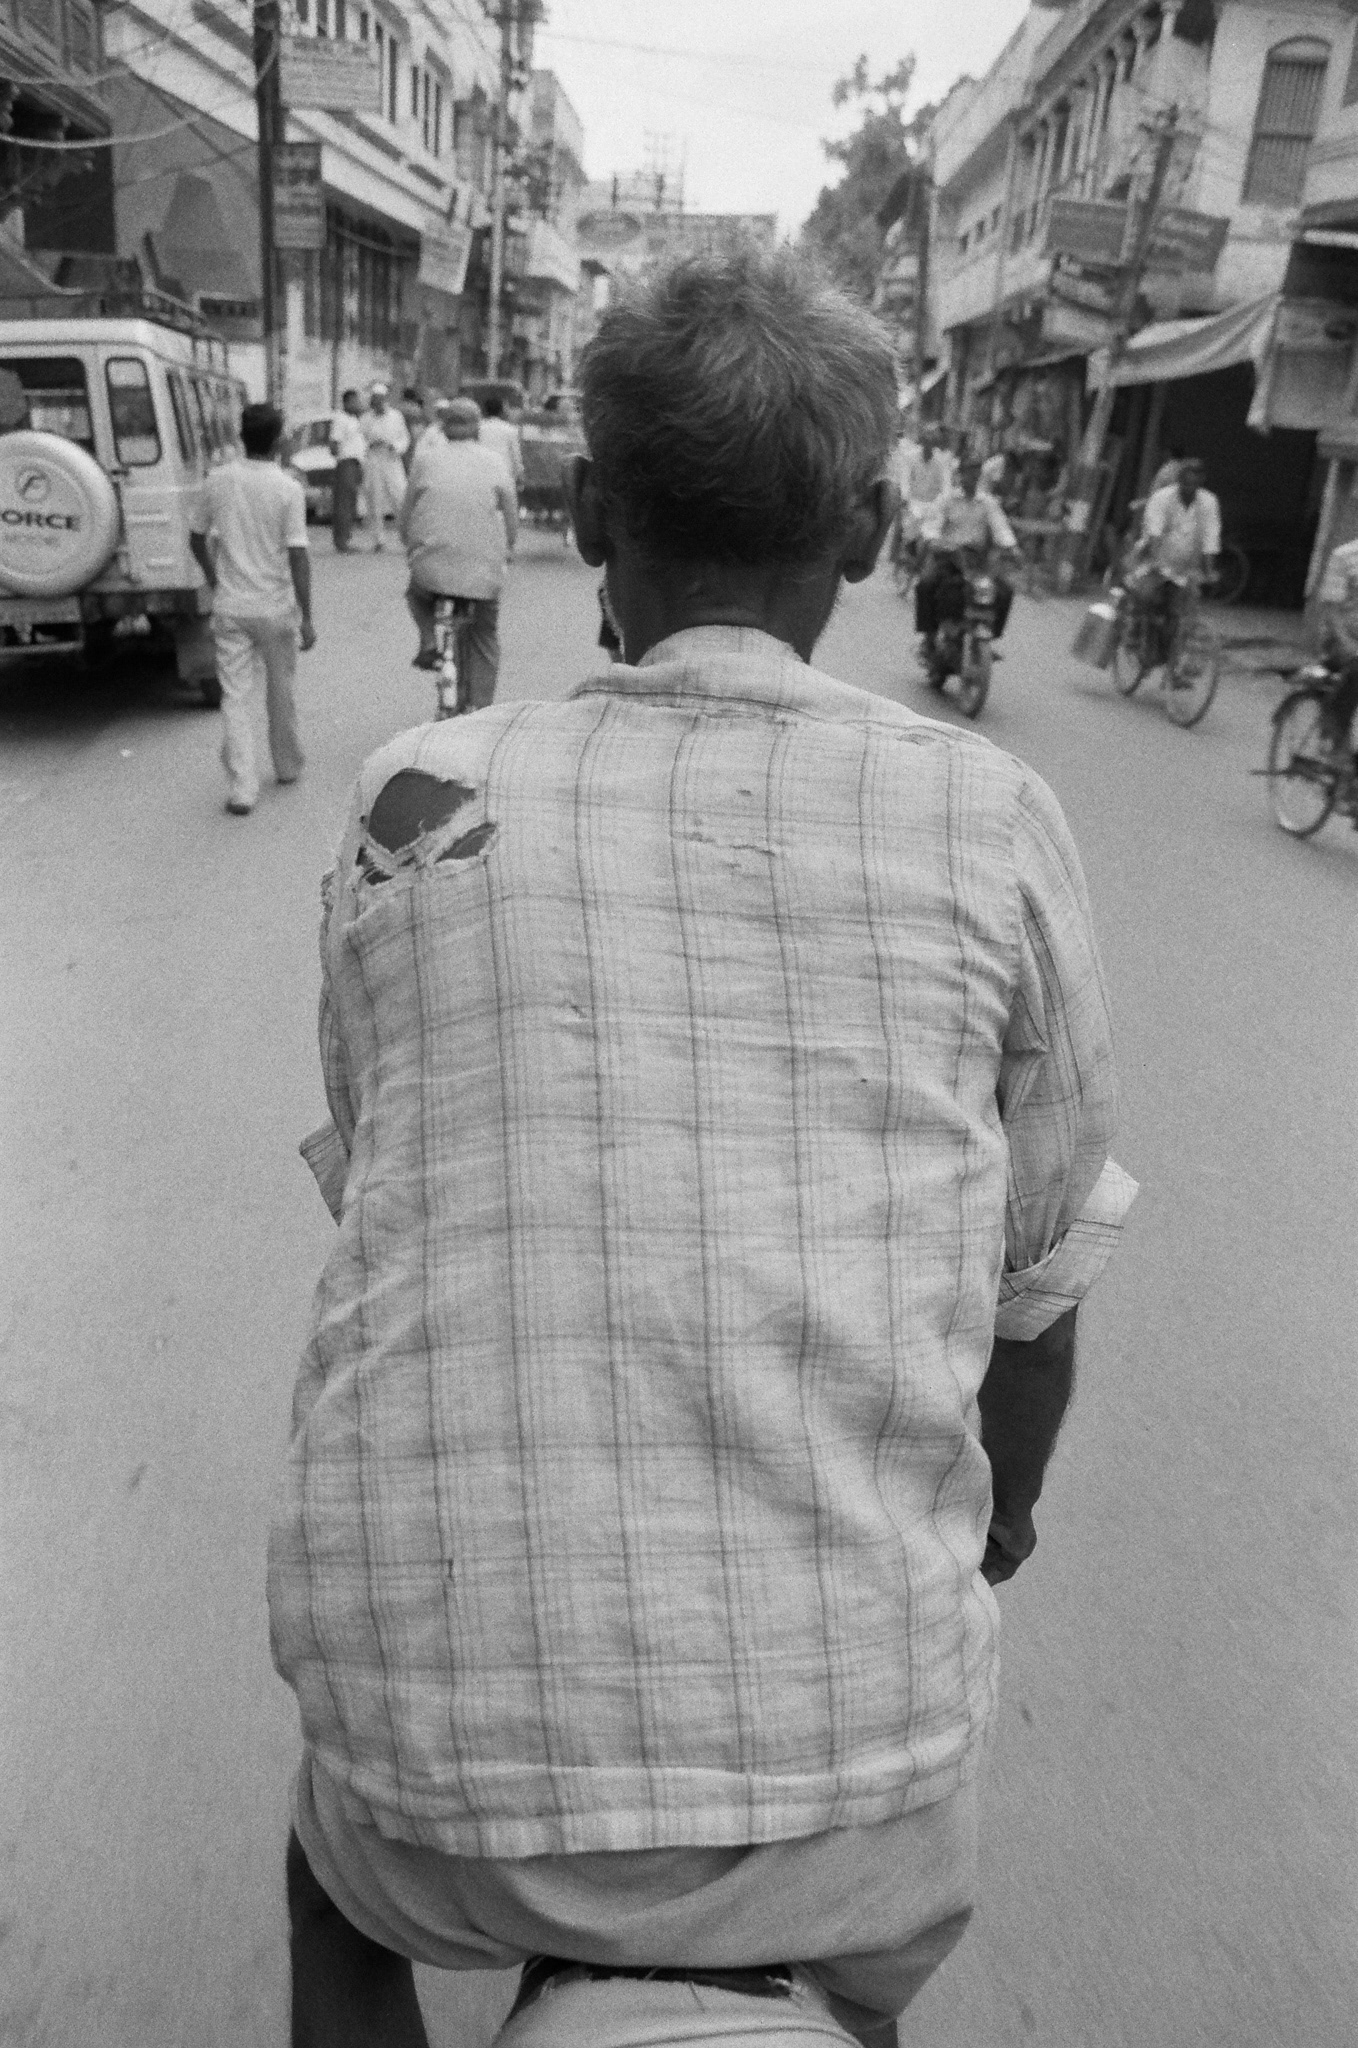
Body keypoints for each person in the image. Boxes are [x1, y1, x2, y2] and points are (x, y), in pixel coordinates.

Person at [272, 246, 1135, 2048]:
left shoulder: (417, 795)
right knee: (863, 1961)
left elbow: (376, 1167)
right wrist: (999, 1517)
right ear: (873, 533)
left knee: (329, 1900)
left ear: (589, 514)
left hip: (429, 1777)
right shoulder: (986, 813)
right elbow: (1037, 1289)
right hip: (860, 1790)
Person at [188, 401, 316, 817]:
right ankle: (287, 765)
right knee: (281, 690)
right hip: (275, 608)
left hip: (231, 606)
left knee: (235, 696)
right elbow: (298, 556)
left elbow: (196, 538)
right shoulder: (288, 488)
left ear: (241, 437)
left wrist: (214, 579)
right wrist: (307, 615)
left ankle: (243, 786)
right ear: (278, 440)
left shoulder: (217, 481)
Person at [396, 394, 517, 700]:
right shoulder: (494, 461)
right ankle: (482, 708)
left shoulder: (425, 459)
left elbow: (406, 514)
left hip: (431, 570)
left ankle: (428, 639)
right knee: (484, 635)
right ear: (478, 428)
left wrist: (409, 544)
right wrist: (508, 548)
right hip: (483, 573)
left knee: (416, 595)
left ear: (444, 427)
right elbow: (511, 517)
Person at [914, 453, 1019, 649]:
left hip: (977, 560)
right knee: (926, 585)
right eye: (969, 473)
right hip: (948, 557)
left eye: (976, 474)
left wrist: (1012, 548)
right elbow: (932, 526)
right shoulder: (946, 499)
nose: (973, 477)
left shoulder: (988, 502)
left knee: (1005, 590)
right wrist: (934, 540)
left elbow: (1001, 528)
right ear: (960, 475)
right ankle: (929, 637)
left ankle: (990, 635)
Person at [1135, 456, 1220, 654]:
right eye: (1186, 483)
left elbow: (1211, 538)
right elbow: (1154, 533)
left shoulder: (1208, 502)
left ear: (1201, 482)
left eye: (1195, 484)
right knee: (1145, 598)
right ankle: (1137, 636)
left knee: (1182, 611)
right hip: (1157, 561)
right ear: (1179, 480)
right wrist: (1155, 562)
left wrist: (1210, 570)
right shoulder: (1162, 498)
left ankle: (1171, 657)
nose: (1190, 488)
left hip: (1187, 567)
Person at [1313, 534, 1358, 774]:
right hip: (1339, 640)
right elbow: (1331, 611)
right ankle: (1336, 736)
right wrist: (1348, 644)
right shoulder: (1345, 556)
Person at [361, 384, 410, 551]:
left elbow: (404, 438)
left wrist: (395, 447)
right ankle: (378, 539)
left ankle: (407, 536)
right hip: (373, 460)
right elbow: (360, 439)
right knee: (374, 500)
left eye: (380, 399)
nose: (377, 402)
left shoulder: (396, 416)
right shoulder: (366, 419)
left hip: (391, 459)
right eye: (374, 399)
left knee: (399, 497)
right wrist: (370, 445)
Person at [328, 388, 366, 553]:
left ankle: (347, 538)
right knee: (343, 503)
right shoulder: (340, 419)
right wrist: (341, 457)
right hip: (346, 463)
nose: (358, 404)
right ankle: (341, 541)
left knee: (351, 503)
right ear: (347, 402)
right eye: (355, 401)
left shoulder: (355, 420)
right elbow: (334, 444)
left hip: (356, 463)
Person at [478, 390, 524, 493]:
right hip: (504, 474)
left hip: (482, 474)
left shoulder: (478, 428)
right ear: (502, 410)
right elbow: (515, 456)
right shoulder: (510, 430)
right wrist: (520, 477)